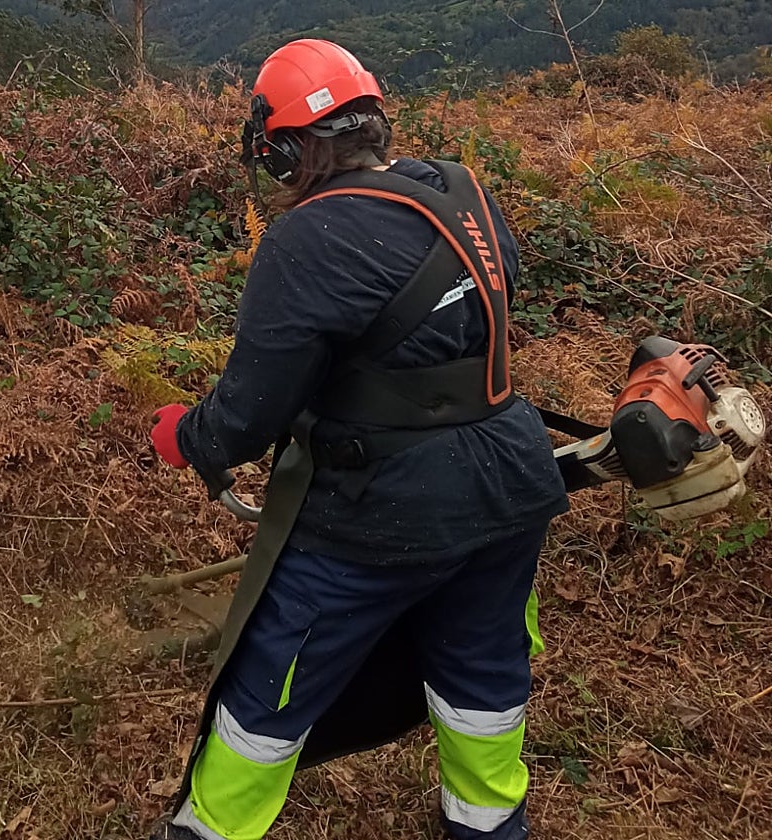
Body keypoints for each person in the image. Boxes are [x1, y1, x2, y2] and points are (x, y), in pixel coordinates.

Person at [146, 39, 569, 840]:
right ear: (372, 125)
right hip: (510, 485)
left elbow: (249, 413)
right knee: (483, 675)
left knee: (266, 689)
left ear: (290, 150)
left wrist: (187, 437)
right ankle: (489, 823)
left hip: (379, 512)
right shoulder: (459, 188)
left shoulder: (308, 239)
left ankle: (208, 829)